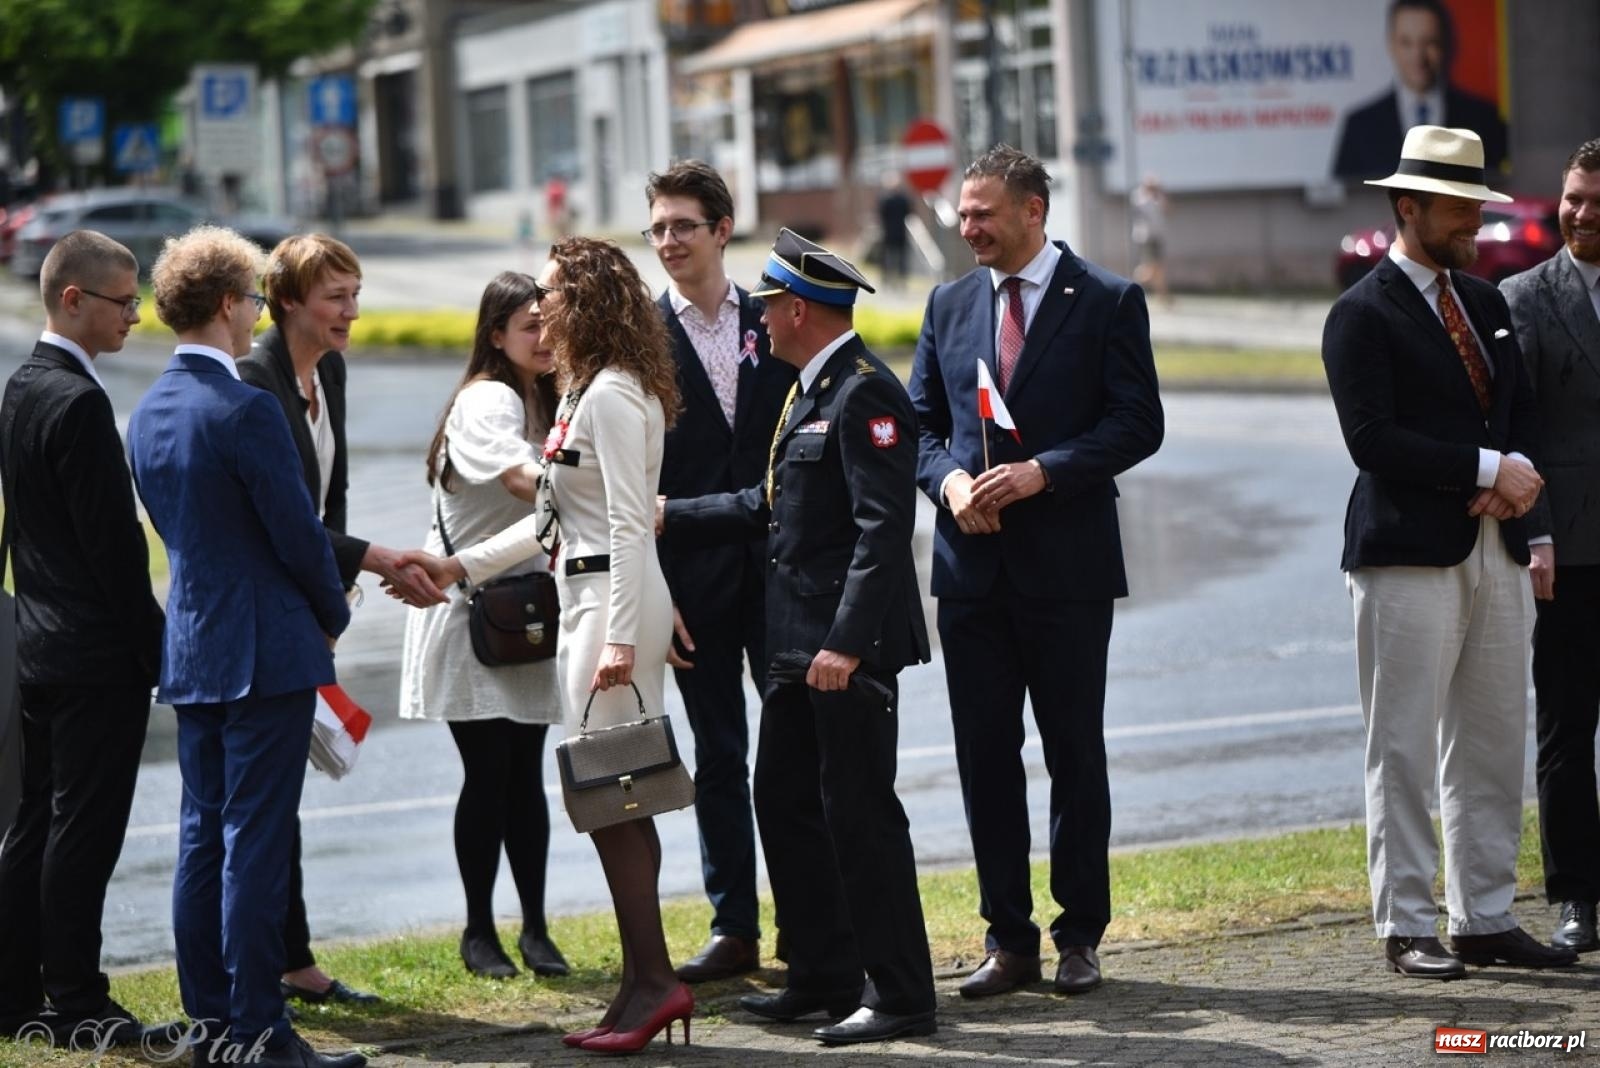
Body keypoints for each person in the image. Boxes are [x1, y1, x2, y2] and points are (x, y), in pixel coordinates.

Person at [404, 238, 690, 1055]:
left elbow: (634, 525)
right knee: (609, 799)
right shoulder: (587, 390)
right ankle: (643, 983)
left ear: (590, 302)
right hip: (588, 594)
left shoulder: (609, 395)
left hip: (608, 604)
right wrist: (459, 564)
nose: (544, 304)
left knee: (618, 796)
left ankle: (655, 985)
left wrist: (626, 640)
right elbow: (551, 521)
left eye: (558, 292)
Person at [662, 229, 937, 1047]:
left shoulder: (863, 393)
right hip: (794, 645)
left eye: (772, 306)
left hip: (840, 653)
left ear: (802, 311)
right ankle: (821, 974)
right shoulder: (806, 390)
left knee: (859, 816)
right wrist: (672, 514)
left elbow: (883, 532)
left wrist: (848, 644)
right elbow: (767, 505)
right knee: (781, 803)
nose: (761, 320)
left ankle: (902, 994)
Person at [907, 144, 1164, 1000]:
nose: (966, 227)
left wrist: (1043, 472)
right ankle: (1007, 940)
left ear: (1032, 212)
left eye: (982, 213)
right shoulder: (946, 305)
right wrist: (947, 485)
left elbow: (1137, 424)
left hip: (1066, 571)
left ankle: (1079, 935)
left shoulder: (1108, 301)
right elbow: (919, 424)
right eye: (962, 214)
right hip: (971, 574)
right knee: (985, 759)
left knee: (1074, 758)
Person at [1322, 125, 1576, 979]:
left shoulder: (1489, 303)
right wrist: (1484, 468)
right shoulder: (1359, 313)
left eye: (1479, 202)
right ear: (1409, 206)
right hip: (1404, 554)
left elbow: (1520, 415)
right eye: (1461, 206)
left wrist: (1523, 493)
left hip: (1496, 550)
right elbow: (1373, 439)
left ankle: (1486, 915)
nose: (1477, 220)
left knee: (1495, 738)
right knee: (1401, 743)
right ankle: (1408, 924)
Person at [127, 226, 363, 1068]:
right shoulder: (246, 407)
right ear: (230, 305)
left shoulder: (147, 410)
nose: (257, 314)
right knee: (256, 842)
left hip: (193, 645)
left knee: (203, 839)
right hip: (266, 649)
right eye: (255, 301)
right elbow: (298, 535)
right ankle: (262, 1029)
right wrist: (330, 610)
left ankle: (212, 1024)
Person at [240, 232, 441, 1008]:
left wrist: (338, 600)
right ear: (288, 300)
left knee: (284, 789)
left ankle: (291, 956)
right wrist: (371, 565)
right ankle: (278, 959)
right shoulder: (254, 379)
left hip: (311, 606)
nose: (351, 312)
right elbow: (280, 518)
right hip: (269, 608)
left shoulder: (334, 370)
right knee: (266, 799)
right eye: (336, 297)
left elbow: (333, 499)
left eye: (355, 295)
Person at [0, 231, 166, 1045]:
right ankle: (75, 998)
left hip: (37, 645)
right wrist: (158, 646)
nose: (134, 316)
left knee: (34, 824)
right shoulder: (79, 399)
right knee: (81, 832)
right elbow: (113, 551)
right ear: (74, 299)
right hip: (93, 655)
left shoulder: (20, 386)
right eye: (123, 301)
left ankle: (13, 991)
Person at [644, 160, 793, 982]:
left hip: (781, 578)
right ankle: (734, 925)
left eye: (682, 226)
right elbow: (630, 486)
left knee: (799, 752)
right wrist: (655, 597)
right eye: (657, 228)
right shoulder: (640, 341)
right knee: (719, 760)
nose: (668, 241)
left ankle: (811, 919)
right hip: (690, 586)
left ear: (722, 230)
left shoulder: (773, 317)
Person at [396, 271, 568, 980]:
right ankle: (478, 932)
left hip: (522, 611)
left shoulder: (548, 396)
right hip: (469, 612)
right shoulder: (488, 398)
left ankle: (534, 929)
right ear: (496, 335)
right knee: (489, 775)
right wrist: (588, 488)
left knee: (525, 776)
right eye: (530, 325)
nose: (545, 336)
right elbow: (520, 479)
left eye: (551, 323)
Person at [1500, 137, 1600, 955]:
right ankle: (1576, 900)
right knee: (1567, 730)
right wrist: (1532, 531)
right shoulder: (1524, 298)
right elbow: (1515, 430)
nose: (1580, 212)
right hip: (1568, 548)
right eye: (1572, 197)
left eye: (1596, 202)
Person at [1331, 0, 1508, 181]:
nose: (1418, 56)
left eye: (1429, 42)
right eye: (1406, 43)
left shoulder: (1485, 119)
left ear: (1445, 45)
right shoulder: (1359, 127)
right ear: (1391, 45)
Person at [1130, 174, 1170, 306]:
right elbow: (1141, 209)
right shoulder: (1139, 196)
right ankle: (1130, 285)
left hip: (1157, 236)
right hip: (1146, 237)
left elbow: (1168, 210)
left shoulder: (1158, 197)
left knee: (1157, 268)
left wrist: (1159, 197)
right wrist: (1152, 196)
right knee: (1152, 268)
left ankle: (1162, 297)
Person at [876, 174, 913, 289]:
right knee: (900, 258)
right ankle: (900, 281)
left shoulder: (885, 200)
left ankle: (888, 279)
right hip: (900, 232)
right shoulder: (903, 200)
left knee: (888, 258)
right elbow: (909, 212)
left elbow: (880, 214)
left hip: (888, 232)